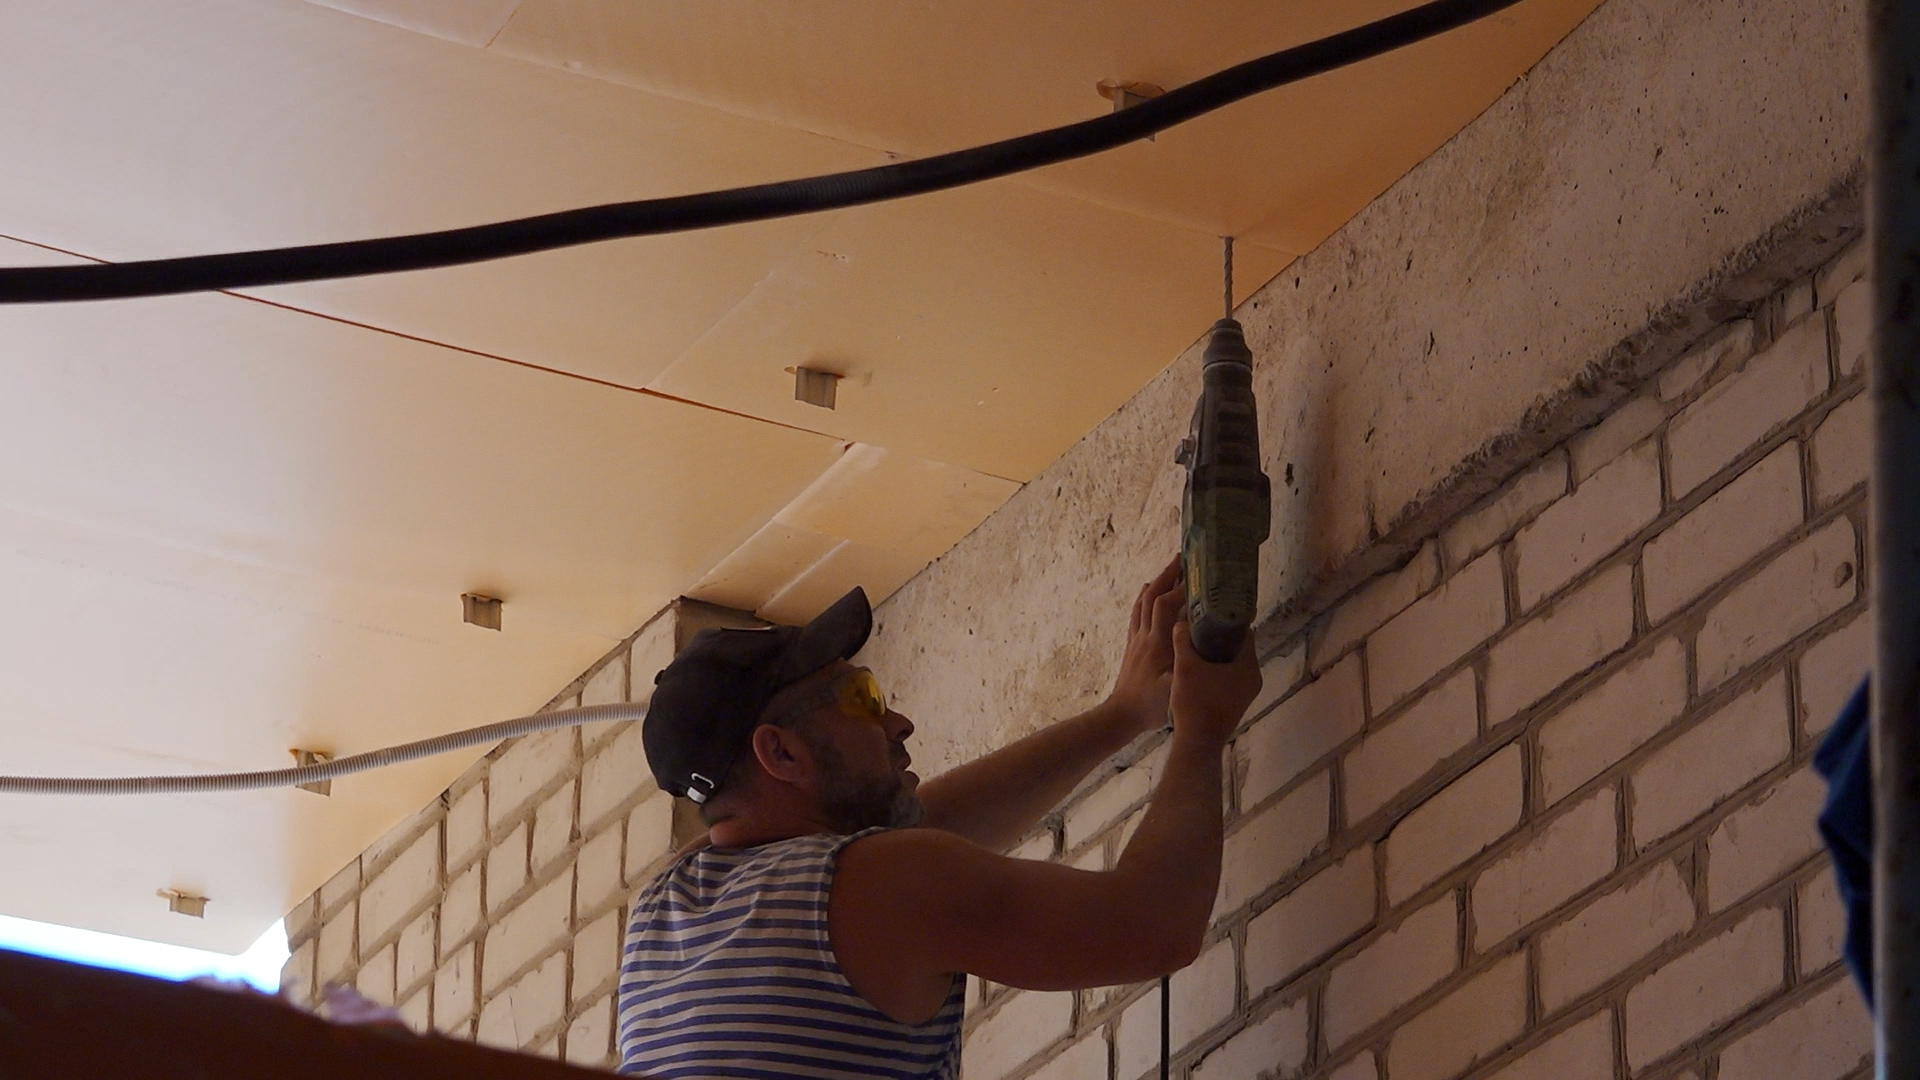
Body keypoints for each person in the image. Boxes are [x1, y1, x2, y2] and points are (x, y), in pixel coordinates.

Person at [617, 560, 1262, 1078]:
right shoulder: (870, 889)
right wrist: (1202, 728)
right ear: (780, 753)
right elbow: (1152, 926)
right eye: (862, 699)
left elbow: (919, 836)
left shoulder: (660, 917)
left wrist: (1120, 715)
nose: (898, 723)